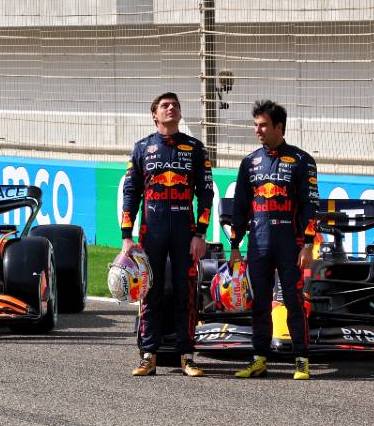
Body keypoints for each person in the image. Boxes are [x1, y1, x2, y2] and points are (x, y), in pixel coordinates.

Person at [119, 91, 214, 376]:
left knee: (186, 292)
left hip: (185, 234)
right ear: (155, 114)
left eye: (175, 105)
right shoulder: (141, 149)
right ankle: (148, 355)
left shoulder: (195, 148)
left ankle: (187, 356)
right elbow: (130, 193)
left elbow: (206, 194)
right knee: (150, 292)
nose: (171, 108)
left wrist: (200, 233)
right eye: (165, 105)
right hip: (152, 232)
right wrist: (126, 236)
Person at [229, 100, 319, 380]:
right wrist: (234, 245)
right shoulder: (250, 162)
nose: (258, 130)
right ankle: (259, 359)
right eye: (256, 125)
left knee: (294, 300)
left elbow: (310, 206)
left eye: (263, 125)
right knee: (260, 302)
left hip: (291, 244)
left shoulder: (303, 161)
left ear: (279, 126)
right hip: (259, 243)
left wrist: (307, 244)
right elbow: (240, 207)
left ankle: (301, 360)